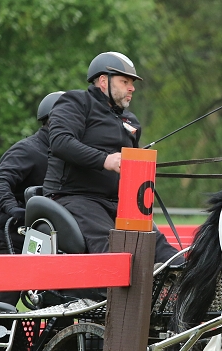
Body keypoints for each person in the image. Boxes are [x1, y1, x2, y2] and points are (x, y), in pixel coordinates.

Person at [42, 51, 179, 264]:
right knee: (113, 255)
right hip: (76, 197)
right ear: (103, 81)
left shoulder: (130, 120)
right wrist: (106, 160)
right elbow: (60, 142)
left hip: (120, 203)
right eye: (125, 81)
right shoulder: (75, 102)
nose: (131, 88)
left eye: (131, 83)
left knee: (165, 253)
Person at [0, 90, 64, 305]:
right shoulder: (28, 150)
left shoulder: (66, 157)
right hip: (7, 237)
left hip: (44, 241)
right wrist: (15, 209)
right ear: (54, 120)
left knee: (56, 307)